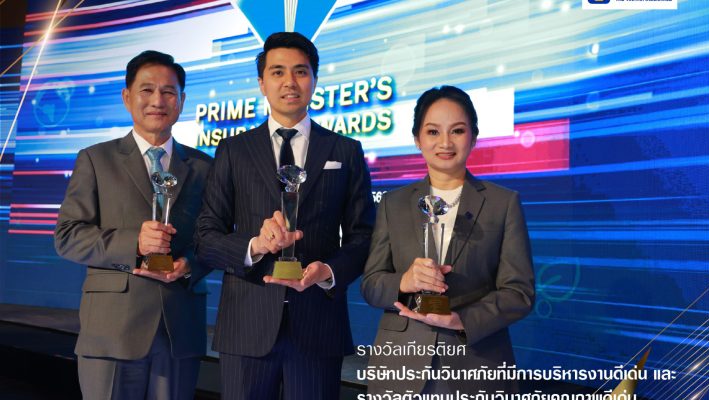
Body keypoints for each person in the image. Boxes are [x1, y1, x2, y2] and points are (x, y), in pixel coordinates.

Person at [195, 32, 375, 399]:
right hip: (247, 325)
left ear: (315, 79)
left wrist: (328, 272)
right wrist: (255, 246)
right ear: (262, 83)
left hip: (318, 324)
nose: (289, 82)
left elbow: (364, 235)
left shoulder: (345, 150)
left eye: (300, 72)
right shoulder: (233, 150)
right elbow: (206, 236)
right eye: (277, 72)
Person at [54, 50, 212, 400]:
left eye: (168, 92)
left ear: (182, 101)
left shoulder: (205, 167)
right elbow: (67, 237)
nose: (158, 100)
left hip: (179, 329)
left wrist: (190, 265)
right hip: (111, 330)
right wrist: (134, 243)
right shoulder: (96, 159)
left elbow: (214, 239)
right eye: (147, 90)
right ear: (127, 97)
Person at [361, 85, 535, 395]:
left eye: (457, 130)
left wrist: (462, 320)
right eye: (433, 131)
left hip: (474, 365)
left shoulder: (503, 203)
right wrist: (404, 281)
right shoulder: (393, 203)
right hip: (400, 365)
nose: (445, 142)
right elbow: (372, 285)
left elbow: (518, 292)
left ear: (474, 137)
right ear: (417, 139)